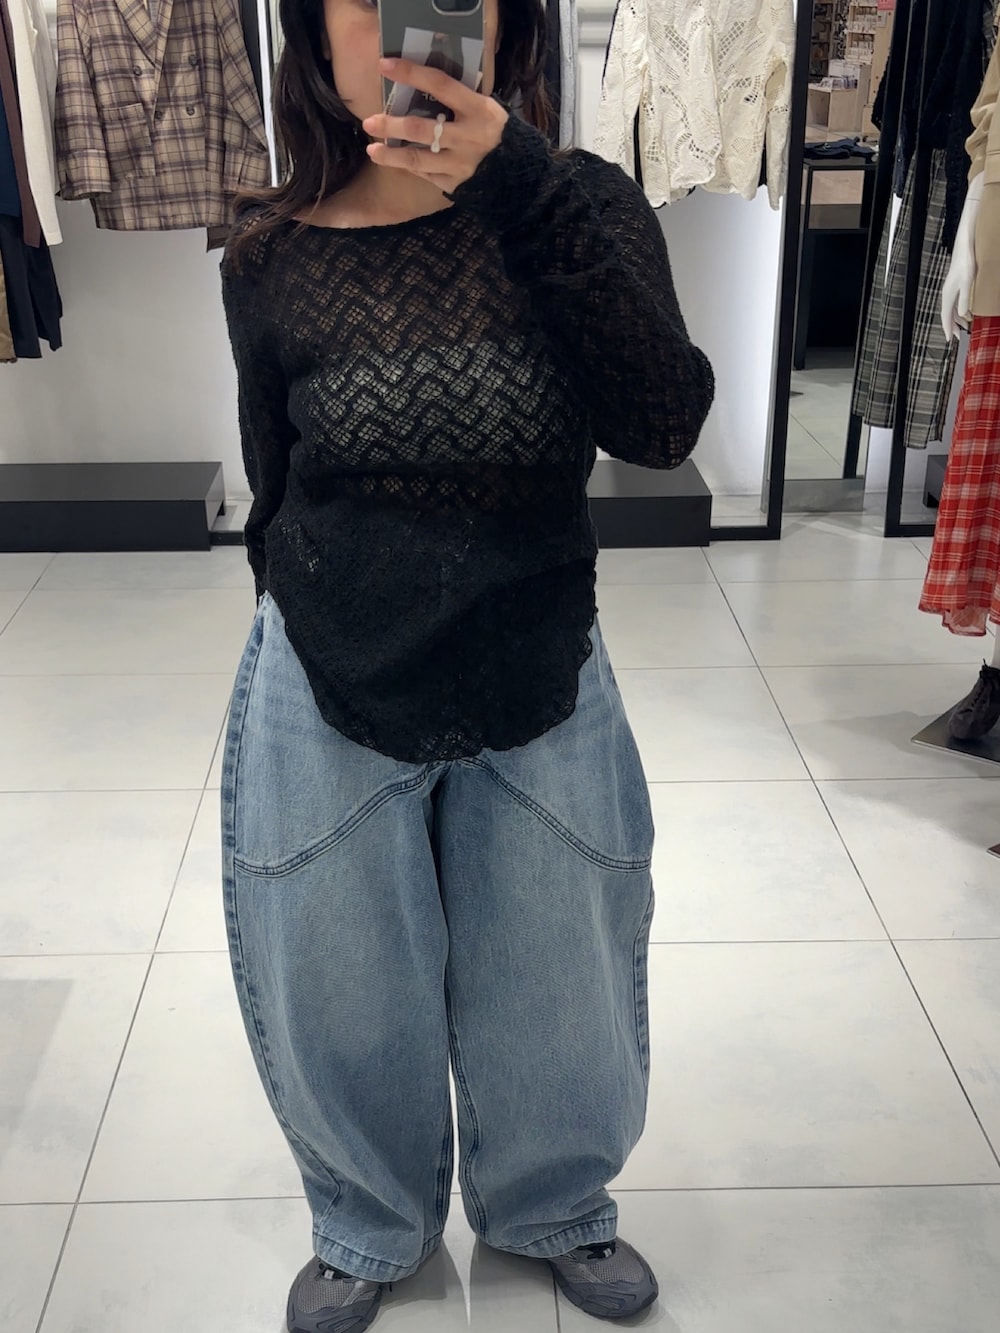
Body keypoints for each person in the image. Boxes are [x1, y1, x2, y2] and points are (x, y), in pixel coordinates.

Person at [219, 0, 714, 1328]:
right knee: (335, 960)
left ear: (507, 25)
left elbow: (662, 424)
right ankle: (368, 1218)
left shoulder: (579, 203)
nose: (408, 24)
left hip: (536, 634)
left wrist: (519, 187)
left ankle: (556, 1202)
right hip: (329, 648)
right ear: (314, 37)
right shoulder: (266, 251)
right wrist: (296, 616)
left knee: (558, 949)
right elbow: (274, 480)